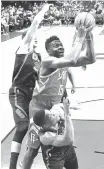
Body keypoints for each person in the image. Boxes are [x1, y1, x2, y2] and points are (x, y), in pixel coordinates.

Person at [22, 21, 96, 169]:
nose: (60, 46)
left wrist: (89, 37)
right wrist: (80, 37)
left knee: (60, 141)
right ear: (48, 50)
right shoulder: (48, 61)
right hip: (40, 109)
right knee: (33, 148)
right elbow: (71, 59)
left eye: (61, 44)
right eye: (56, 45)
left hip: (56, 107)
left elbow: (90, 59)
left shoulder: (64, 61)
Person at [8, 4, 50, 169]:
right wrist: (43, 11)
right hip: (18, 93)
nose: (36, 39)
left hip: (32, 95)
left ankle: (25, 162)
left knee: (36, 127)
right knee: (22, 126)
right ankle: (12, 166)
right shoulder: (23, 49)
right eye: (34, 37)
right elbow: (33, 27)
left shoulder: (38, 56)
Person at [33, 97, 78, 169]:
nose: (53, 114)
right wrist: (67, 114)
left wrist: (70, 105)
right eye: (51, 116)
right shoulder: (45, 136)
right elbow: (69, 140)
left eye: (50, 112)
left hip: (68, 150)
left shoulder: (55, 112)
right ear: (46, 125)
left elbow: (57, 106)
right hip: (54, 157)